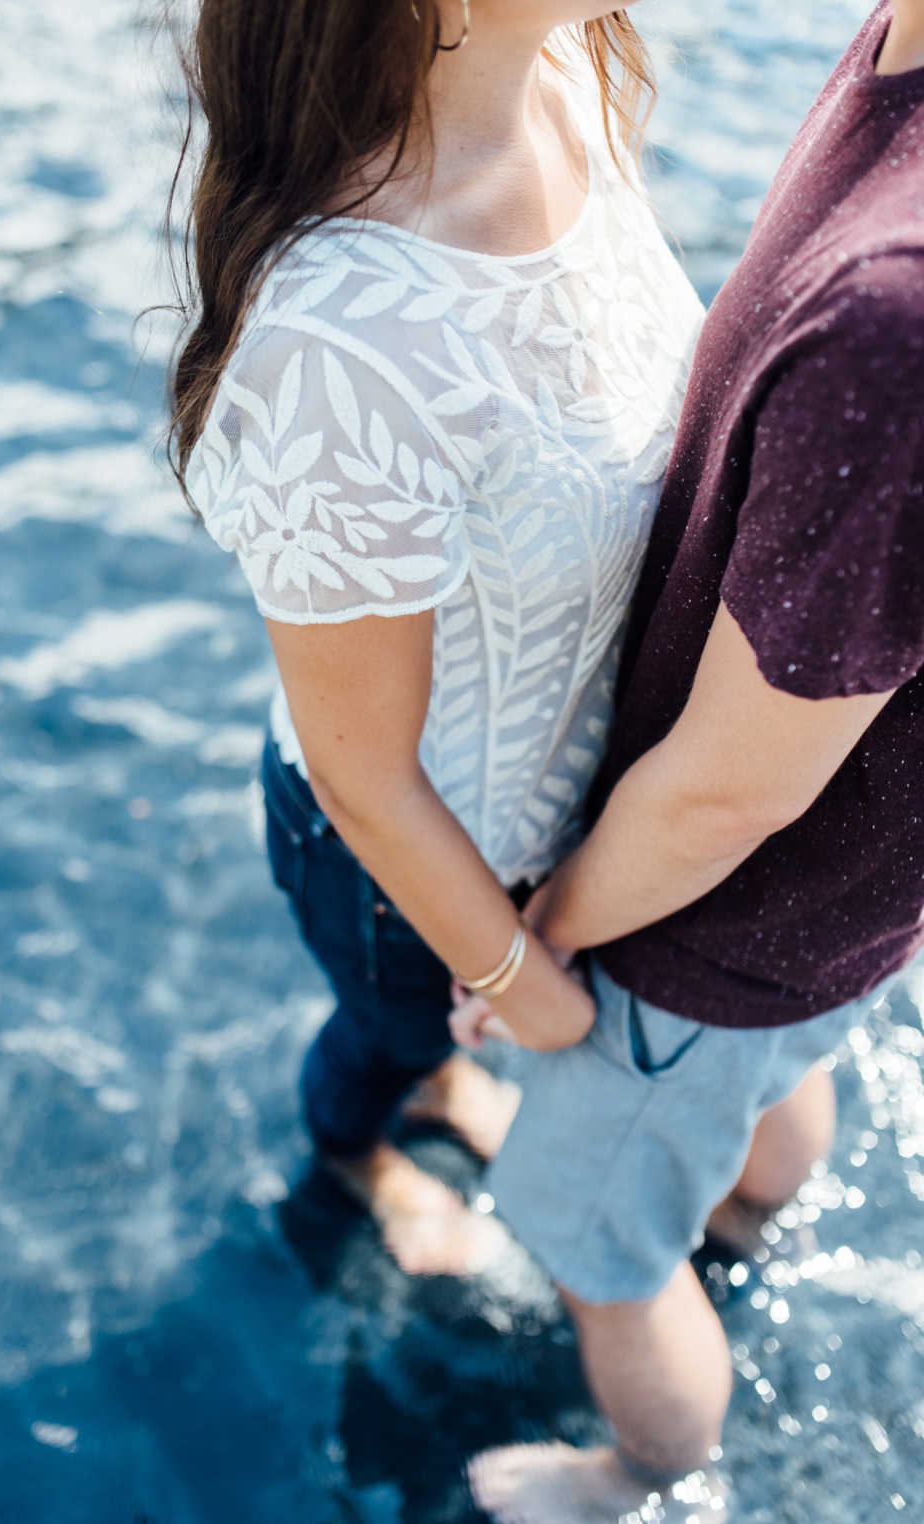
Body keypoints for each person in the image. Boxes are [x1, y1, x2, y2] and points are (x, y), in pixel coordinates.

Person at [461, 1, 924, 1515]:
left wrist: (537, 936)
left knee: (597, 1247)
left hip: (714, 903)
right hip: (853, 883)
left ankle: (641, 1466)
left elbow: (736, 786)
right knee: (772, 1060)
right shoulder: (895, 40)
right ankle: (748, 1205)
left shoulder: (892, 321)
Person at [169, 0, 701, 1272]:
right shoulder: (337, 339)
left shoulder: (569, 74)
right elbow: (366, 782)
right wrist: (528, 990)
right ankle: (356, 1157)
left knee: (418, 1040)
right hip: (406, 862)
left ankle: (425, 1085)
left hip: (561, 810)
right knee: (383, 1034)